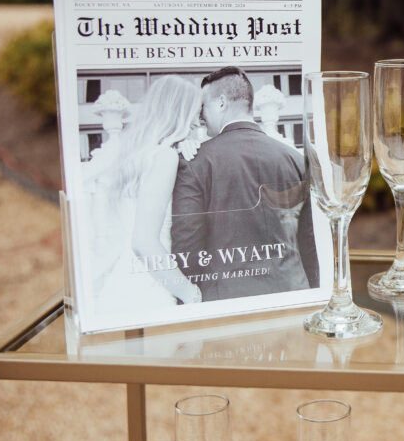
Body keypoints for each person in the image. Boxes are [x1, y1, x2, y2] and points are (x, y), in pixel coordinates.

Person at [171, 66, 319, 301]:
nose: (200, 116)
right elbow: (311, 244)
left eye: (203, 106)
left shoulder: (194, 163)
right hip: (290, 295)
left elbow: (186, 247)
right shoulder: (296, 160)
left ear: (220, 103)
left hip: (224, 305)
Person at [85, 75, 205, 313]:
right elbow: (144, 242)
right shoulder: (164, 157)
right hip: (152, 288)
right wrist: (190, 294)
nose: (198, 121)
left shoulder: (134, 155)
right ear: (179, 112)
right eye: (195, 112)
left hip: (123, 282)